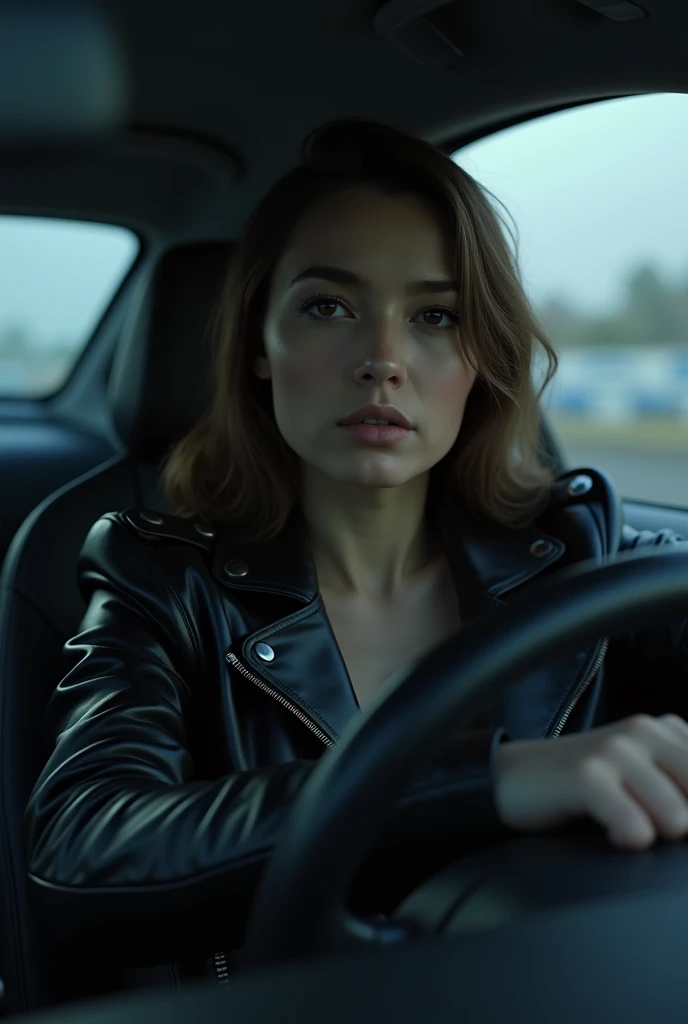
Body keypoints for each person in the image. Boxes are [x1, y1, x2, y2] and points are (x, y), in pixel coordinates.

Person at [23, 120, 688, 989]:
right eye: (328, 307)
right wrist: (482, 784)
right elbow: (82, 851)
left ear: (479, 359)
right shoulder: (160, 578)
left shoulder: (585, 557)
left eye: (434, 317)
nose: (382, 360)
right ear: (261, 345)